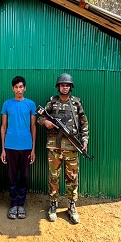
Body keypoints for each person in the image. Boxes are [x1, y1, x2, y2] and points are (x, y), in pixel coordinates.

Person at [37, 73, 88, 224]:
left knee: (72, 178)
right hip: (54, 147)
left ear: (70, 87)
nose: (64, 87)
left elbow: (84, 123)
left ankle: (71, 205)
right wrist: (45, 122)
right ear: (58, 86)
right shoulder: (52, 102)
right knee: (54, 177)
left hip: (72, 147)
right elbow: (39, 117)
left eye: (67, 85)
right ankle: (53, 203)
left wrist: (84, 140)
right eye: (62, 85)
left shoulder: (76, 103)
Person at [0, 76, 36, 219]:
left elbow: (33, 127)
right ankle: (13, 204)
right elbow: (3, 126)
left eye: (21, 87)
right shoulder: (7, 104)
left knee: (25, 176)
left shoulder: (30, 104)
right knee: (12, 176)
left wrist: (33, 149)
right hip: (10, 146)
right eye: (16, 87)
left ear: (25, 88)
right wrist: (2, 149)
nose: (19, 89)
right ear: (12, 88)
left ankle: (21, 204)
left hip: (26, 146)